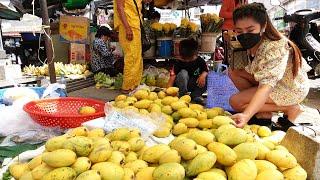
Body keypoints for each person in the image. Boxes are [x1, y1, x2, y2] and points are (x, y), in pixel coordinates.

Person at [228, 3, 311, 128]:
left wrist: (246, 115)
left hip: (290, 87)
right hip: (274, 82)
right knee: (234, 72)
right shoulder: (251, 43)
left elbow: (266, 86)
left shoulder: (275, 47)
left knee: (236, 102)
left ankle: (290, 108)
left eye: (250, 30)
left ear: (263, 26)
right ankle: (264, 113)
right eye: (239, 31)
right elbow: (245, 69)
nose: (244, 34)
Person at [114, 0, 153, 93]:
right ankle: (127, 87)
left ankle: (135, 85)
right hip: (128, 27)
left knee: (137, 57)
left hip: (136, 27)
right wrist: (127, 28)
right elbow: (120, 9)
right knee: (131, 57)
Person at [167, 39, 208, 105]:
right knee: (183, 73)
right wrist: (168, 92)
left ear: (196, 54)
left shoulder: (200, 61)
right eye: (185, 59)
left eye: (190, 58)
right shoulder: (178, 63)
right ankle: (183, 95)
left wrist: (202, 76)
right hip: (181, 85)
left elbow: (205, 70)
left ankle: (195, 95)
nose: (187, 61)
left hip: (195, 83)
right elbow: (172, 77)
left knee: (208, 77)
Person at [219, 0, 247, 65]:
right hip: (228, 30)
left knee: (239, 51)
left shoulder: (245, 1)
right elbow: (221, 14)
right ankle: (227, 68)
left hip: (240, 29)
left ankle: (237, 68)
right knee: (229, 52)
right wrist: (236, 14)